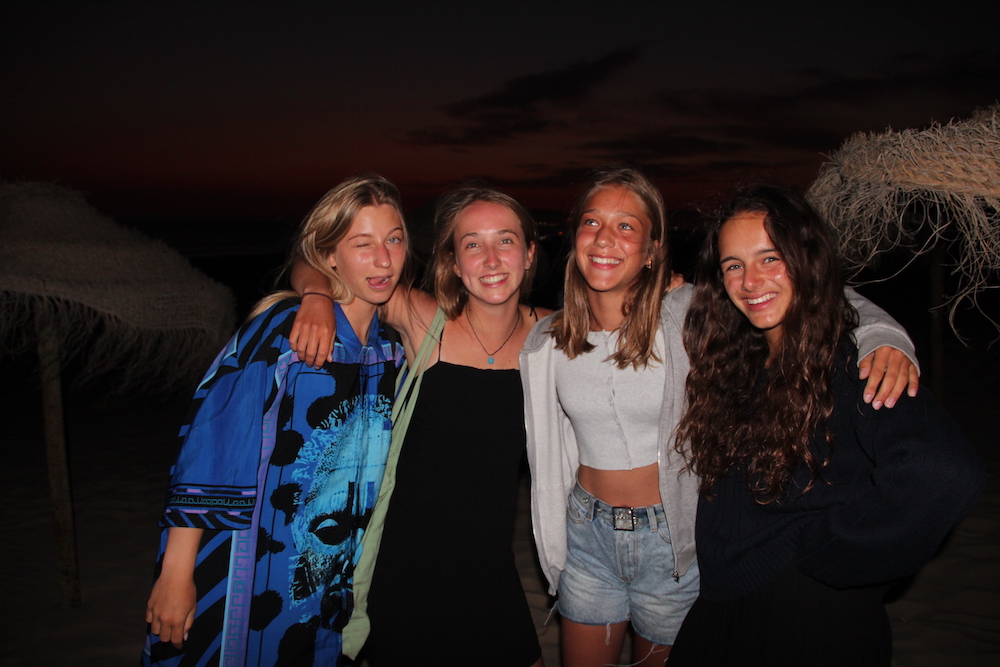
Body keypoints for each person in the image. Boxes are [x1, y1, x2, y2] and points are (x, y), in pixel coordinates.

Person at [518, 166, 920, 666]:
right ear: (575, 236)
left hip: (673, 542)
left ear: (652, 249)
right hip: (587, 535)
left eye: (626, 226)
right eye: (592, 222)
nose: (604, 238)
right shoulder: (547, 338)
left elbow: (809, 292)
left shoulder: (687, 313)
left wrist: (884, 336)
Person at [668, 186, 985, 666]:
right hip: (728, 601)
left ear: (806, 259)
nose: (750, 281)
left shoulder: (854, 364)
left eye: (770, 258)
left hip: (806, 616)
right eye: (733, 265)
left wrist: (831, 554)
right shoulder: (742, 357)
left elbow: (943, 472)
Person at [142, 174, 409, 666]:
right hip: (249, 563)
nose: (384, 259)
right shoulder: (284, 332)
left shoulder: (390, 352)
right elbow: (212, 442)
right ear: (330, 256)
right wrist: (176, 573)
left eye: (394, 240)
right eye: (362, 243)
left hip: (331, 577)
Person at [289, 185, 548, 666]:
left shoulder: (553, 335)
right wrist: (316, 295)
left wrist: (673, 289)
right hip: (405, 568)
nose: (491, 259)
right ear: (453, 261)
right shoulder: (425, 319)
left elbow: (628, 315)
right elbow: (318, 260)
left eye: (506, 240)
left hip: (493, 568)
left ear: (530, 253)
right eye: (472, 244)